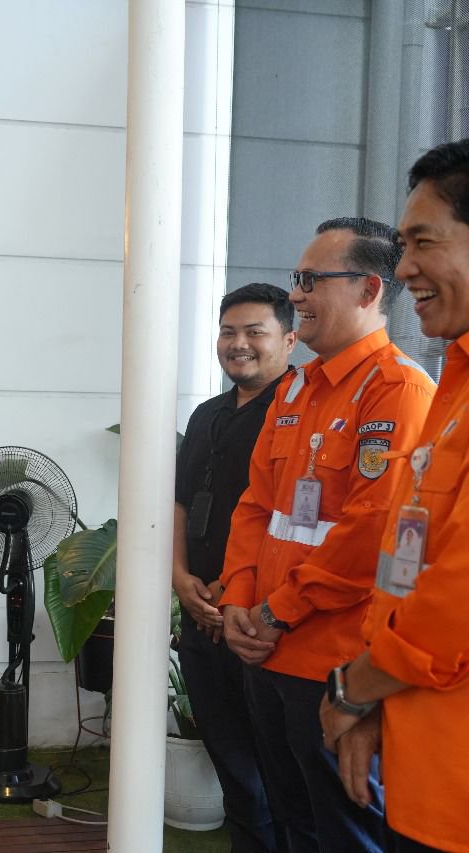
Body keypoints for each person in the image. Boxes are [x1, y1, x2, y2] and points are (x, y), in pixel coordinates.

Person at [218, 217, 435, 852]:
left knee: (343, 833)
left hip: (333, 661)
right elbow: (256, 505)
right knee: (289, 821)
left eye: (313, 280)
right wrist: (237, 600)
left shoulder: (398, 391)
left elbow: (374, 532)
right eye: (298, 279)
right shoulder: (296, 387)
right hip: (267, 648)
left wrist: (275, 612)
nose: (298, 295)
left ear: (369, 290)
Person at [319, 139, 469, 853]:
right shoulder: (455, 385)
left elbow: (453, 604)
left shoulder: (405, 385)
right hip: (425, 771)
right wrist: (379, 698)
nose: (404, 266)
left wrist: (354, 689)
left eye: (422, 242)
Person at [174, 282, 295, 853]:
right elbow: (179, 504)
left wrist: (230, 592)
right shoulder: (207, 415)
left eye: (254, 332)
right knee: (232, 768)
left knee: (279, 776)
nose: (238, 343)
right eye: (228, 332)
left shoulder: (299, 411)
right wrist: (180, 578)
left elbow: (285, 516)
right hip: (199, 613)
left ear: (289, 340)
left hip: (258, 619)